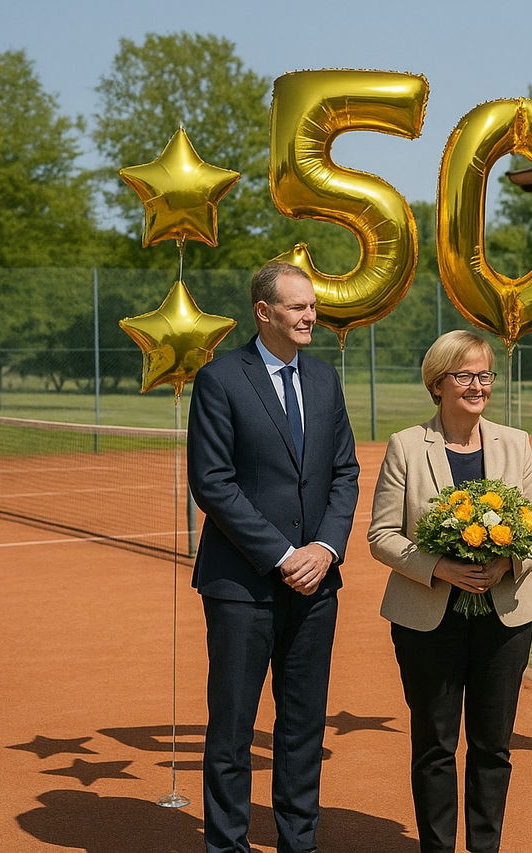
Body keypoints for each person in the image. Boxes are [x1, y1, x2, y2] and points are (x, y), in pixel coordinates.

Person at [187, 261, 360, 853]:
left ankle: (298, 843)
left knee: (302, 730)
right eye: (297, 307)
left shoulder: (324, 379)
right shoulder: (220, 379)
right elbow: (213, 483)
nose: (310, 316)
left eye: (312, 305)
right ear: (264, 313)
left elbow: (344, 473)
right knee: (233, 733)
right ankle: (228, 845)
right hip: (242, 587)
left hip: (318, 585)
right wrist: (284, 554)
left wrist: (326, 548)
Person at [368, 329, 532, 853]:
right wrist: (441, 568)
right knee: (435, 745)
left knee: (493, 746)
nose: (477, 385)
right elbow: (381, 536)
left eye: (484, 375)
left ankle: (485, 847)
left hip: (505, 617)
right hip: (428, 620)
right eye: (464, 375)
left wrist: (507, 562)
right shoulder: (406, 445)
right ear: (438, 383)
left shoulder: (515, 442)